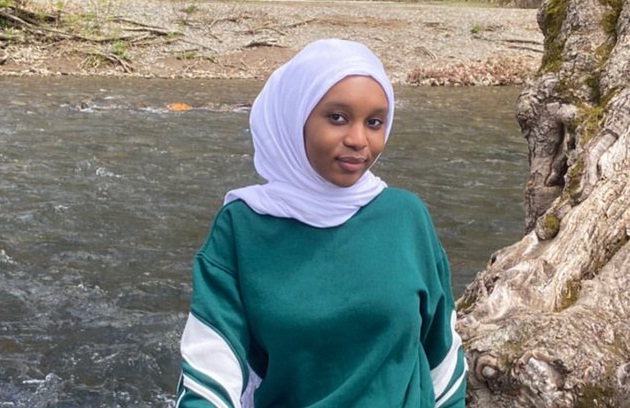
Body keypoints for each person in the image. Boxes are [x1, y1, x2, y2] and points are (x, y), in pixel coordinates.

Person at [176, 38, 467, 408]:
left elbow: (443, 358)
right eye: (337, 118)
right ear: (293, 117)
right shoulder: (241, 227)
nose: (359, 140)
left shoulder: (406, 217)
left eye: (374, 122)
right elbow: (210, 367)